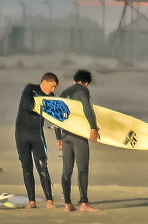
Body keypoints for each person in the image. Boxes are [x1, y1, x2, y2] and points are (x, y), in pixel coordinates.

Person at [55, 69, 101, 212]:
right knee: (82, 169)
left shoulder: (64, 92)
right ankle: (83, 204)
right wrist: (93, 128)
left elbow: (56, 115)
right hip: (79, 137)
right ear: (86, 83)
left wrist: (58, 137)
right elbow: (87, 109)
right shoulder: (83, 91)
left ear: (74, 80)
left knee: (67, 171)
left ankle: (67, 204)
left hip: (65, 136)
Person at [15, 72, 59, 208]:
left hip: (37, 136)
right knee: (27, 168)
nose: (53, 90)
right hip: (21, 135)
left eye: (55, 88)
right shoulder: (30, 89)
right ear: (44, 82)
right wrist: (44, 106)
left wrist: (59, 137)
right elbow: (28, 106)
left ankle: (49, 201)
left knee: (42, 167)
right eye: (52, 87)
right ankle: (31, 201)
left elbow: (55, 118)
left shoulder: (51, 97)